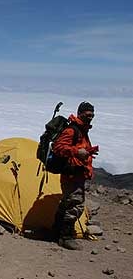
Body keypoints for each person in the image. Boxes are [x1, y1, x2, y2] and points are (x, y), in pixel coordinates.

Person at [52, 101, 97, 250]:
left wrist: (88, 153)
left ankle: (56, 232)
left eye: (92, 115)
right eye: (88, 115)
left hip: (77, 172)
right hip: (72, 174)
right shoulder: (72, 130)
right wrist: (77, 152)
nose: (91, 118)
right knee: (75, 205)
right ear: (80, 114)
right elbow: (58, 147)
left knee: (67, 203)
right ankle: (66, 237)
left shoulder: (82, 130)